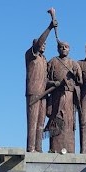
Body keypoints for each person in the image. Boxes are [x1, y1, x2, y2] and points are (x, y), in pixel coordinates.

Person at [25, 19, 57, 152]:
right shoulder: (30, 55)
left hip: (44, 94)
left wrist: (53, 83)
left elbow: (44, 79)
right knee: (32, 124)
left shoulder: (44, 60)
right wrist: (49, 27)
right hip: (34, 93)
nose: (43, 45)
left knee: (40, 124)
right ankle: (31, 148)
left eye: (45, 44)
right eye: (41, 43)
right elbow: (38, 43)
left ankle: (38, 148)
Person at [46, 41, 82, 153]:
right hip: (56, 96)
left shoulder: (74, 63)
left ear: (69, 49)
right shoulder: (52, 62)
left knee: (68, 124)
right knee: (56, 121)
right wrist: (54, 83)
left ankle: (69, 149)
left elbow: (80, 81)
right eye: (61, 47)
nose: (64, 49)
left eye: (66, 47)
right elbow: (44, 80)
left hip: (70, 97)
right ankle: (54, 148)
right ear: (58, 49)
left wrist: (75, 76)